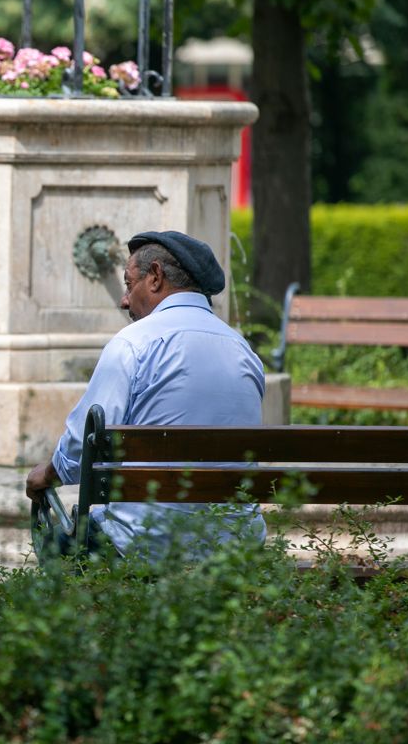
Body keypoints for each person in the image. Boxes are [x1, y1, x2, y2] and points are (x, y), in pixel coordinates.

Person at [24, 230, 266, 559]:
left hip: (141, 543)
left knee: (58, 542)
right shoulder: (244, 351)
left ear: (155, 277)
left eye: (128, 284)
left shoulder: (134, 343)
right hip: (235, 543)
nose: (124, 300)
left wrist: (48, 473)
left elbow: (82, 445)